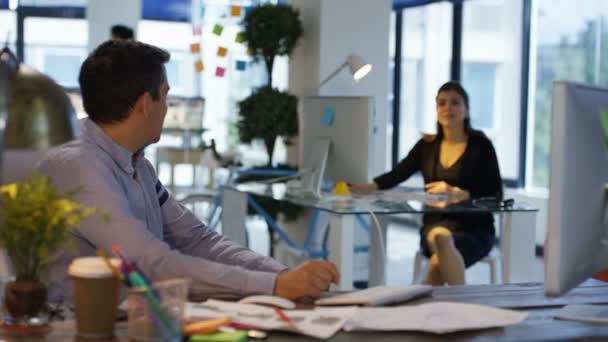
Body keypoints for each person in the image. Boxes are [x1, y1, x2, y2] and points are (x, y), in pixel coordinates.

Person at [38, 40, 339, 303]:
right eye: (165, 95)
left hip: (140, 317)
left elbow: (196, 239)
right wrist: (274, 286)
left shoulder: (137, 163)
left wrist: (283, 275)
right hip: (77, 328)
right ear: (145, 104)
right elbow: (149, 262)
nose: (167, 107)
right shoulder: (79, 167)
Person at [350, 81, 502, 286]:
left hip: (475, 228)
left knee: (438, 261)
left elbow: (496, 194)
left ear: (466, 110)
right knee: (442, 239)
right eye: (442, 103)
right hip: (437, 223)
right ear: (437, 110)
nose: (448, 108)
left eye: (455, 103)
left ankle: (427, 309)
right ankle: (463, 307)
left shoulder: (481, 146)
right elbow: (397, 174)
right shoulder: (427, 146)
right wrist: (363, 187)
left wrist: (461, 193)